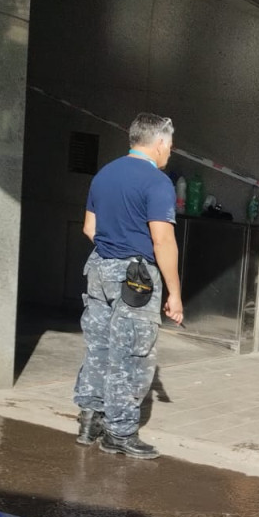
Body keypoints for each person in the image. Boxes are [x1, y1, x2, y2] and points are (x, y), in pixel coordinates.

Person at [74, 112, 184, 460]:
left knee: (100, 347)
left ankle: (89, 421)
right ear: (161, 143)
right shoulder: (157, 182)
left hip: (99, 269)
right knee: (132, 354)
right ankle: (119, 434)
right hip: (135, 277)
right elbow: (163, 240)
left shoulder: (104, 174)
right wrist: (175, 294)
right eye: (170, 145)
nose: (170, 151)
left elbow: (89, 228)